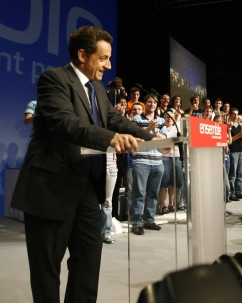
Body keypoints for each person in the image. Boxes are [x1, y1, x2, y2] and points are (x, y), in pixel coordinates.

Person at [11, 26, 161, 303]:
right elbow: (66, 123)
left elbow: (115, 120)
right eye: (103, 58)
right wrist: (113, 139)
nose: (109, 65)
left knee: (87, 265)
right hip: (51, 189)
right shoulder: (54, 79)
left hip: (87, 190)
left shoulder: (97, 88)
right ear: (82, 55)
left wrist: (152, 137)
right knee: (47, 271)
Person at [129, 94, 167, 235]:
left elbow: (164, 138)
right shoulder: (137, 119)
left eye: (154, 102)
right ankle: (136, 222)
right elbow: (135, 137)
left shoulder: (161, 120)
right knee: (138, 193)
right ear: (145, 104)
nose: (152, 104)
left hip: (158, 161)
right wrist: (149, 129)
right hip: (141, 161)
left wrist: (155, 131)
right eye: (149, 102)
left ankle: (149, 220)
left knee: (153, 193)